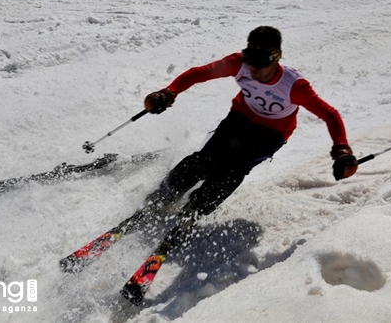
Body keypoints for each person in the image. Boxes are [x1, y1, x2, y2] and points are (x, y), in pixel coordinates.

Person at [141, 26, 358, 225]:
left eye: (260, 64)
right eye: (250, 60)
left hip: (271, 134)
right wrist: (168, 92)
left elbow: (330, 114)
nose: (253, 68)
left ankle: (193, 213)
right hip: (239, 119)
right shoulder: (239, 63)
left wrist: (341, 150)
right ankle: (163, 197)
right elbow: (199, 73)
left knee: (231, 171)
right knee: (204, 161)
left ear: (275, 58)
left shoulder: (294, 86)